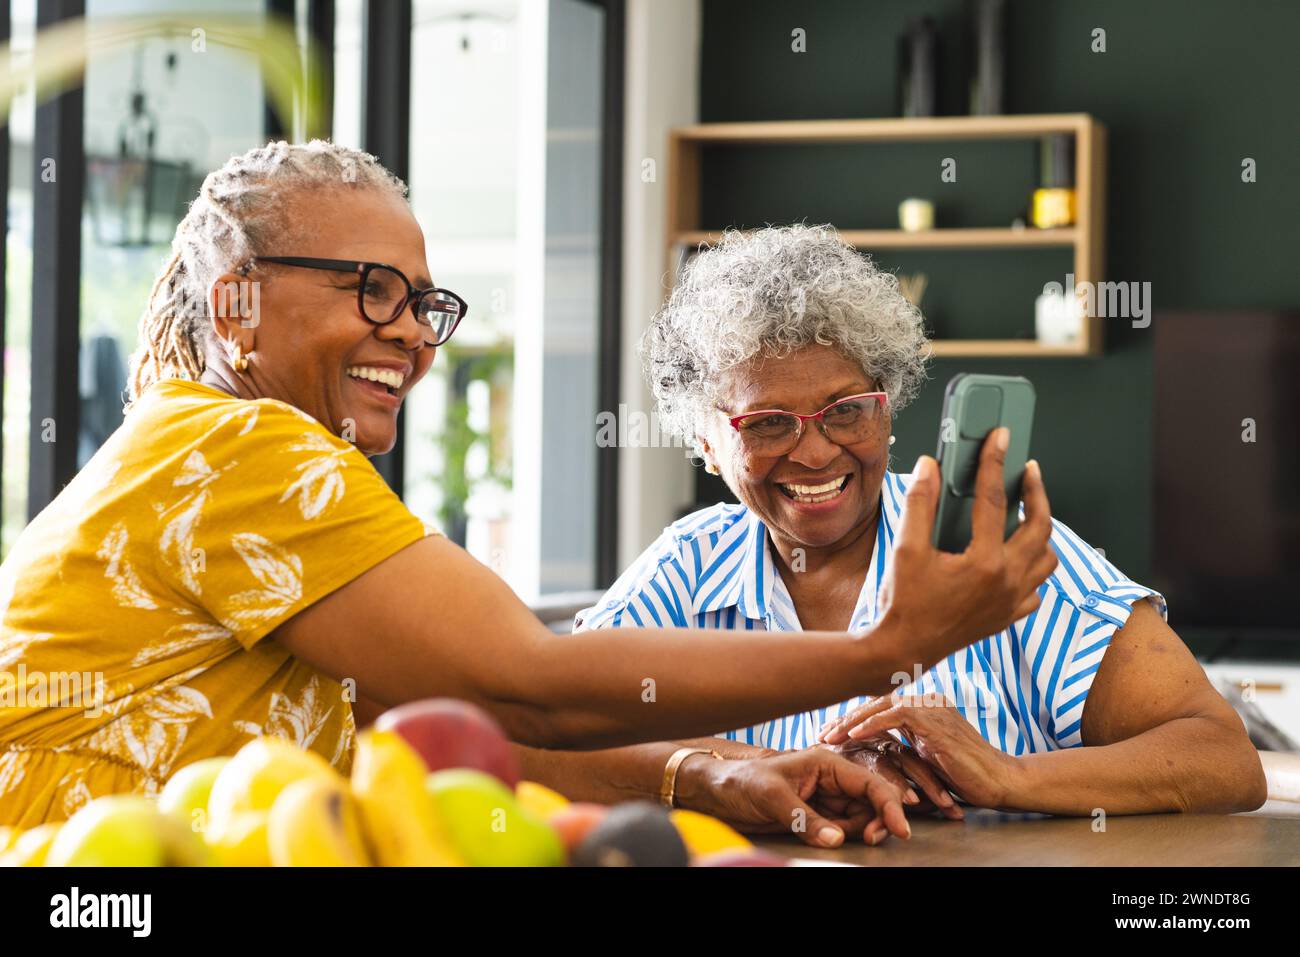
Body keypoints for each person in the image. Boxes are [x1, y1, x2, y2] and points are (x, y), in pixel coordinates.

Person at [0, 145, 1053, 835]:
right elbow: (529, 685)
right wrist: (881, 648)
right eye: (370, 289)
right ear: (235, 305)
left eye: (423, 302)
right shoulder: (239, 447)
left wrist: (697, 775)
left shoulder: (222, 454)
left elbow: (427, 735)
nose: (411, 330)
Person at [513, 224, 1266, 838]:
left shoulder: (995, 550)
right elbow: (541, 744)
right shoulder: (686, 567)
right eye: (767, 423)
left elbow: (1222, 757)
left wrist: (1006, 773)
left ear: (888, 407)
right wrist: (750, 766)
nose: (814, 451)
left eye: (846, 409)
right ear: (706, 441)